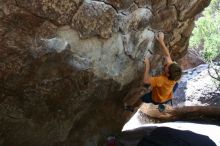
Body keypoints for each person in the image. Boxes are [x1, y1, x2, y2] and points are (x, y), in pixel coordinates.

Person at [124, 32, 182, 112]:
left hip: (158, 98)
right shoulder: (172, 69)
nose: (166, 64)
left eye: (167, 67)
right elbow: (167, 55)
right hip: (169, 92)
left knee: (143, 98)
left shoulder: (161, 80)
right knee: (176, 83)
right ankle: (165, 101)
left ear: (168, 74)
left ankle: (132, 107)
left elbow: (145, 81)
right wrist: (161, 40)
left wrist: (147, 65)